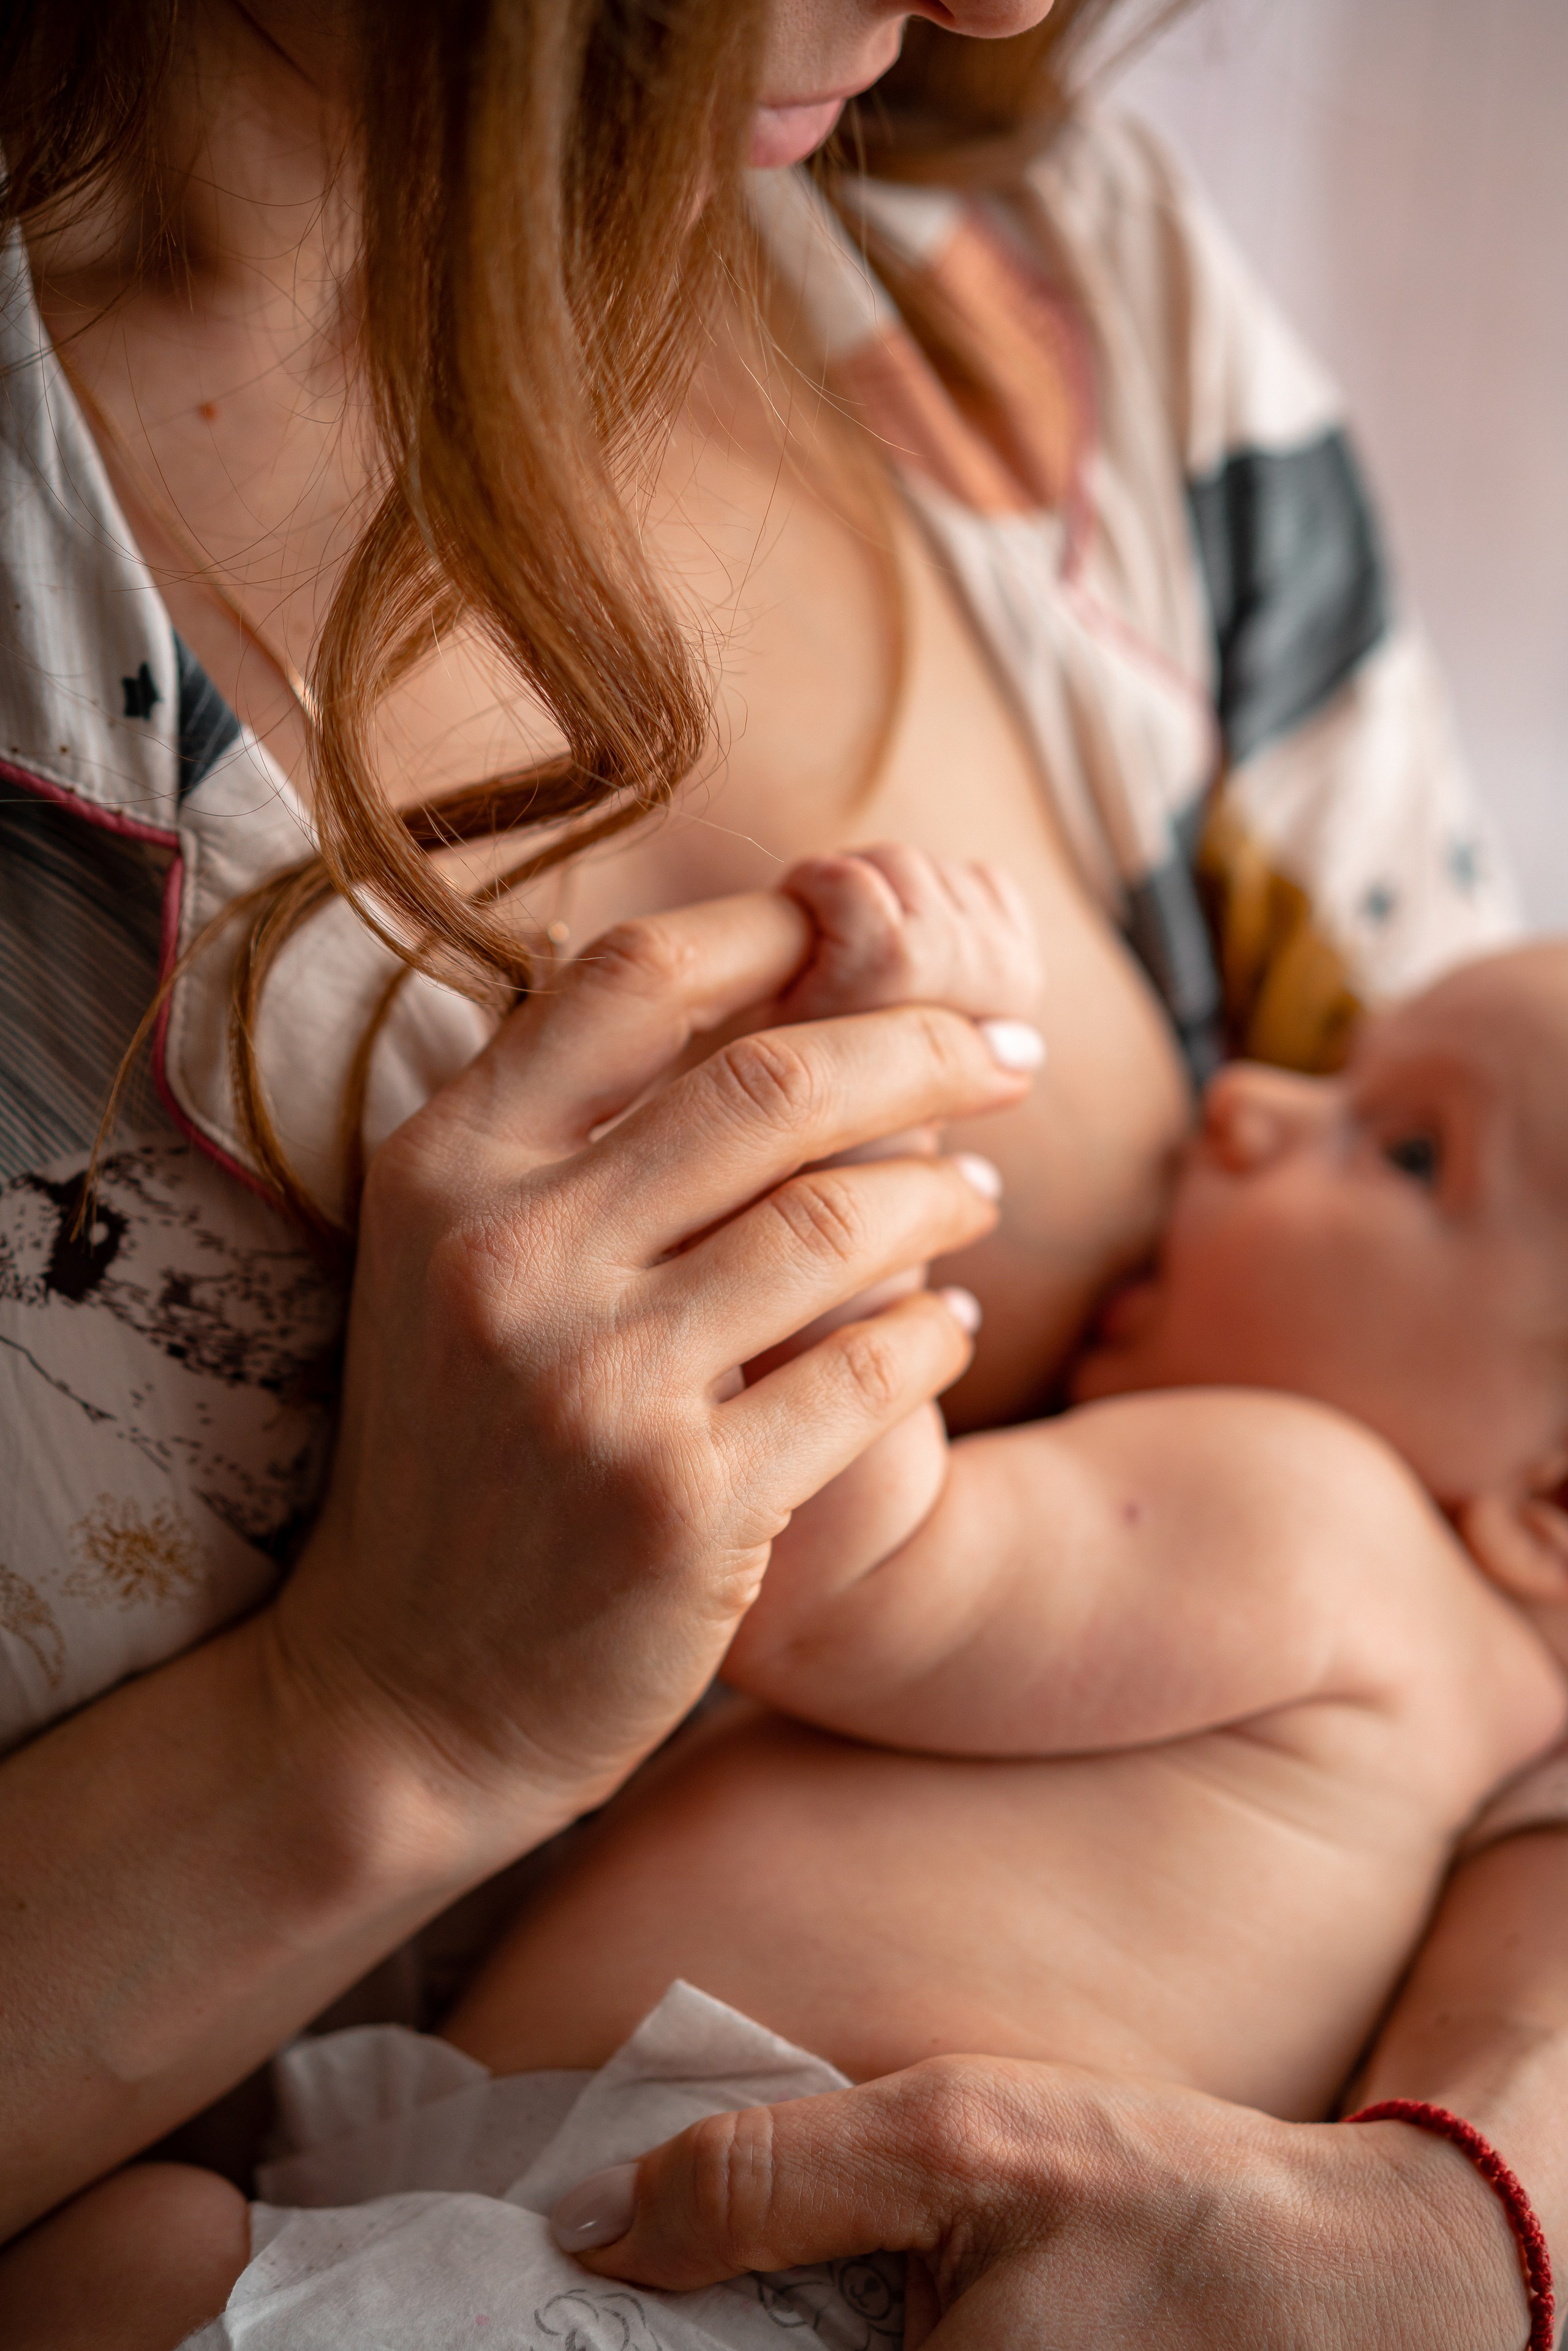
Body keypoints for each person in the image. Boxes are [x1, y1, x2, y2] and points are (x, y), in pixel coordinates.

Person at [1, 2, 1564, 2346]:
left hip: (730, 2239)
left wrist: (1475, 2227)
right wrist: (388, 1710)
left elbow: (852, 1562)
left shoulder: (1035, 281)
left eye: (1394, 1147)